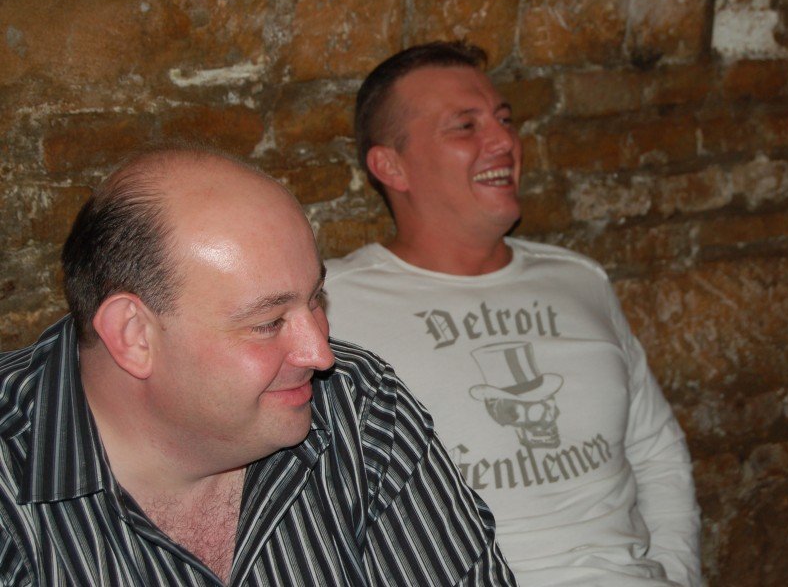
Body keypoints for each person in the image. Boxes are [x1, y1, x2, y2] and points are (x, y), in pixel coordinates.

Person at [0, 147, 516, 586]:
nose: (320, 354)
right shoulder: (12, 476)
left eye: (315, 299)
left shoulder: (359, 408)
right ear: (134, 335)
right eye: (268, 323)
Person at [323, 41, 702, 587]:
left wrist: (679, 575)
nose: (504, 141)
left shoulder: (579, 280)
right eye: (465, 126)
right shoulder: (334, 305)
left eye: (504, 120)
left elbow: (655, 451)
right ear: (391, 166)